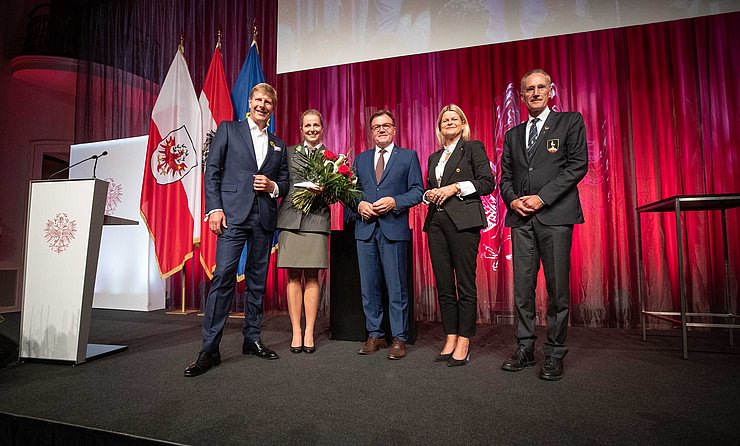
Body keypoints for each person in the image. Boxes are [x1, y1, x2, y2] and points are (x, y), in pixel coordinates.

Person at [184, 83, 289, 377]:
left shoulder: (278, 143)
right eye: (259, 99)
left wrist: (273, 187)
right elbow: (212, 170)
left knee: (257, 282)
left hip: (264, 218)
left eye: (268, 101)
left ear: (272, 108)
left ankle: (252, 339)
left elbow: (285, 182)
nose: (263, 105)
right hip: (231, 216)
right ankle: (209, 349)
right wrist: (214, 209)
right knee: (223, 278)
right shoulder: (228, 130)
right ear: (250, 101)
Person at [500, 69, 588, 380]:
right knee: (522, 289)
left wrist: (541, 198)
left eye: (541, 87)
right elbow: (505, 178)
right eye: (529, 89)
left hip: (556, 216)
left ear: (551, 91)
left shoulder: (570, 121)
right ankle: (525, 347)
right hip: (521, 218)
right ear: (521, 96)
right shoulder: (513, 134)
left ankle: (554, 352)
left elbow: (578, 165)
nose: (535, 93)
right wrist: (513, 200)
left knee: (557, 289)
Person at [422, 104, 495, 367]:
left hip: (464, 223)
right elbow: (429, 188)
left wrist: (455, 187)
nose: (449, 123)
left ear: (463, 124)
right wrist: (427, 195)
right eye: (445, 120)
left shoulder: (473, 147)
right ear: (440, 127)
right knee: (444, 285)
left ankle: (464, 338)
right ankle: (450, 335)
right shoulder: (433, 157)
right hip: (436, 224)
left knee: (465, 282)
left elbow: (488, 183)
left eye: (454, 119)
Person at [353, 109, 423, 360]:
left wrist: (395, 201)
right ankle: (375, 335)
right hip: (366, 231)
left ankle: (399, 338)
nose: (381, 130)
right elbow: (351, 192)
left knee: (397, 288)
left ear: (394, 129)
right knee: (368, 288)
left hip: (394, 230)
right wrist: (359, 204)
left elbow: (418, 191)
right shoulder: (360, 159)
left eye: (386, 126)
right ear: (371, 132)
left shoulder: (408, 157)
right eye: (376, 127)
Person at [276, 109, 330, 354]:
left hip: (316, 220)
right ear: (301, 129)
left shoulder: (332, 158)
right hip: (290, 220)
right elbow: (282, 183)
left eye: (316, 125)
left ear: (322, 127)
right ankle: (296, 331)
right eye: (307, 125)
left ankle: (309, 331)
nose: (312, 129)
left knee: (311, 276)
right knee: (292, 276)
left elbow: (337, 194)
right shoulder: (287, 154)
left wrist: (325, 192)